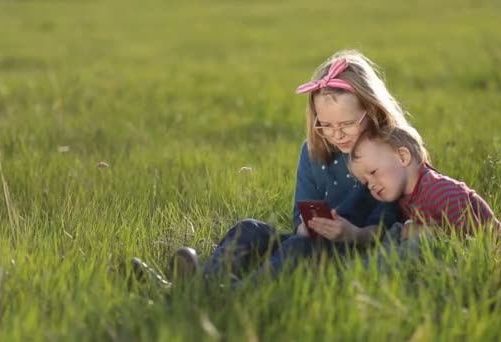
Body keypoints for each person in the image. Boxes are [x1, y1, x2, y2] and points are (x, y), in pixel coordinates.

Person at [131, 50, 414, 287]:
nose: (336, 134)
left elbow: (390, 229)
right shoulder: (313, 152)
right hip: (308, 243)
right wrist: (305, 227)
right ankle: (202, 284)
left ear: (374, 112)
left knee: (299, 249)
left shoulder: (386, 158)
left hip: (349, 253)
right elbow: (298, 215)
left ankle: (229, 293)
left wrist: (348, 233)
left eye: (346, 124)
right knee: (249, 229)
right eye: (325, 125)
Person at [347, 124, 501, 243]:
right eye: (366, 182)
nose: (370, 185)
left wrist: (424, 232)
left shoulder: (442, 191)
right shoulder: (404, 198)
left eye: (374, 172)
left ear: (403, 157)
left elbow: (473, 239)